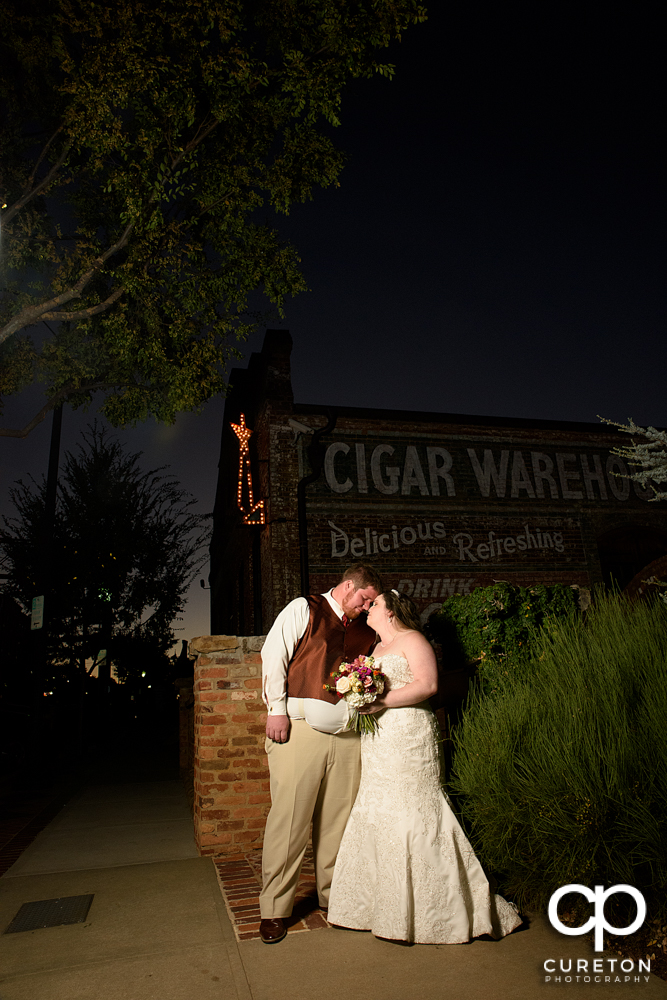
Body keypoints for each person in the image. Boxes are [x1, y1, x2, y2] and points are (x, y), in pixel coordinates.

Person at [327, 588, 522, 945]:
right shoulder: (376, 649)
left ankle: (439, 911)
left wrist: (381, 700)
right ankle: (378, 909)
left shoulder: (413, 640)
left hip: (409, 737)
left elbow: (428, 685)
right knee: (379, 809)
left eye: (375, 605)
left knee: (414, 810)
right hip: (379, 742)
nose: (368, 609)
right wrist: (360, 697)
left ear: (391, 612)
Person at [258, 562, 382, 944]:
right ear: (347, 586)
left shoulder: (366, 629)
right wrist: (276, 710)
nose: (367, 607)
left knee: (338, 824)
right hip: (300, 733)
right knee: (290, 821)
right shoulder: (304, 609)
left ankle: (333, 896)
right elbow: (272, 656)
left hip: (348, 738)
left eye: (373, 603)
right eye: (365, 599)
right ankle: (275, 909)